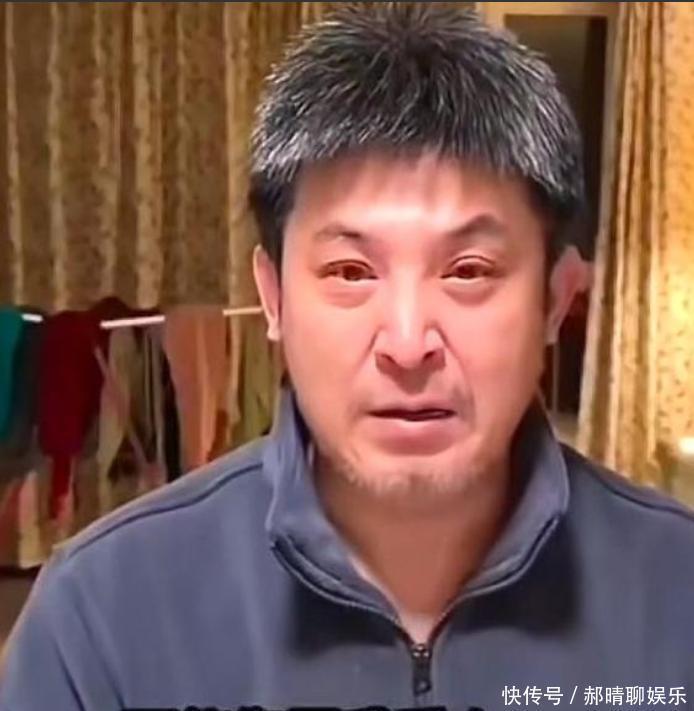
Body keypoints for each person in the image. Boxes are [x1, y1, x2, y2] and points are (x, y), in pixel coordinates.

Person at [2, 4, 693, 710]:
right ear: (272, 298)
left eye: (468, 270)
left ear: (556, 298)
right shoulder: (101, 618)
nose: (407, 344)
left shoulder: (678, 595)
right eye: (350, 273)